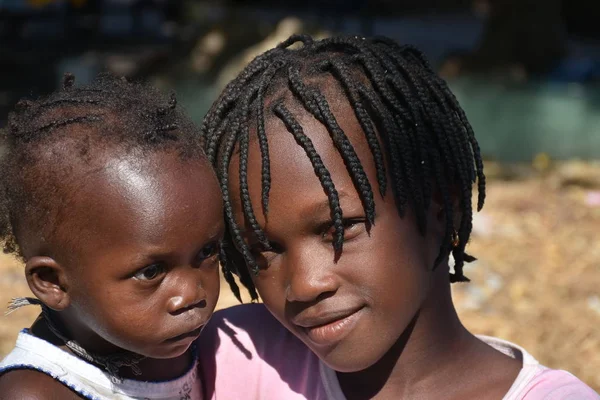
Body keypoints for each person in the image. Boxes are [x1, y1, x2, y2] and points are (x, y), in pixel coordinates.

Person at [198, 34, 600, 399]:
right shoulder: (235, 360)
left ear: (444, 205)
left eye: (339, 228)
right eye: (264, 248)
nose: (304, 285)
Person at [0, 73, 224, 399]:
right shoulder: (38, 392)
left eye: (206, 252)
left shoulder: (182, 344)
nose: (192, 294)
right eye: (151, 272)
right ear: (53, 282)